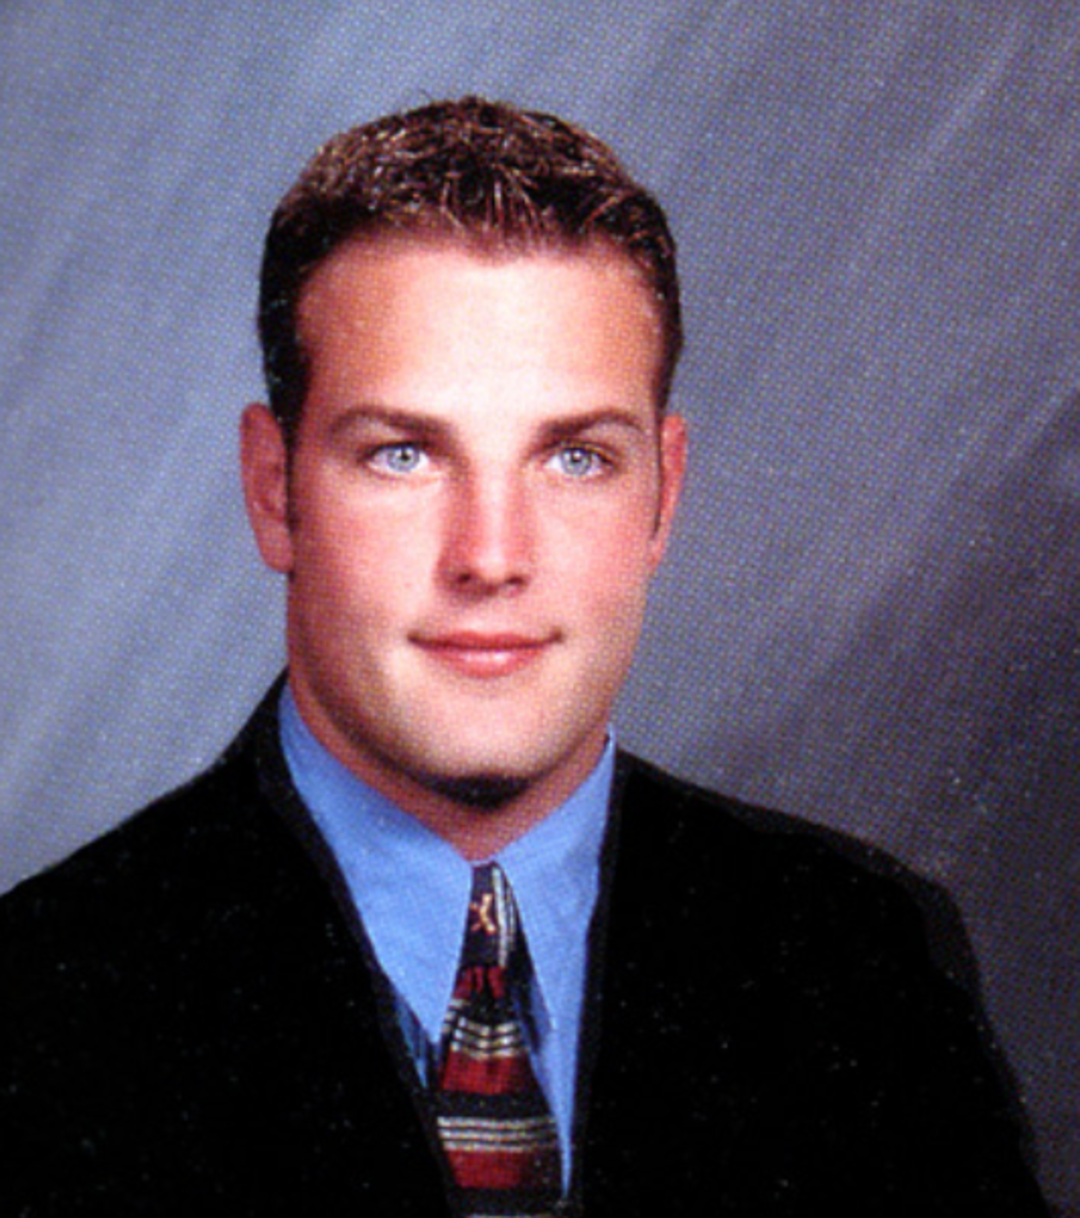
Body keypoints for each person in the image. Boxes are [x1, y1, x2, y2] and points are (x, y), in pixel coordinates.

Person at [0, 97, 1048, 1217]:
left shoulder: (867, 968)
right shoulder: (36, 1017)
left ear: (665, 494)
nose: (491, 558)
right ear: (275, 491)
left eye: (576, 459)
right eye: (403, 454)